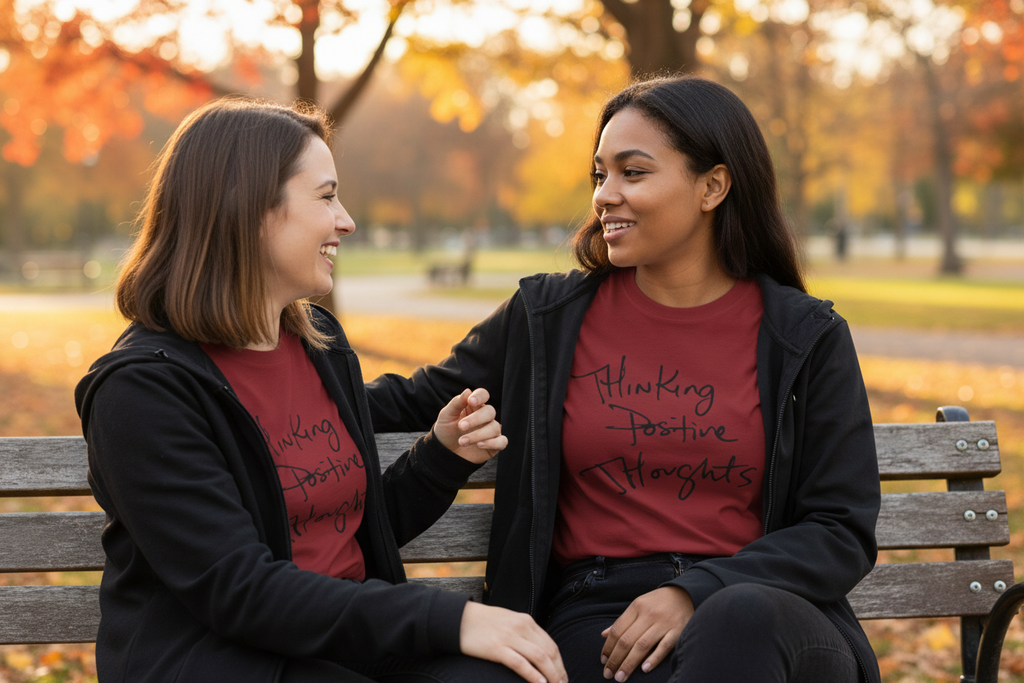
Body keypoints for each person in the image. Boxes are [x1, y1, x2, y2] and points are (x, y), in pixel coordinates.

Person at [365, 75, 882, 683]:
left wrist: (697, 591)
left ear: (713, 186)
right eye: (599, 175)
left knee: (736, 622)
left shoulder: (803, 336)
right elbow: (410, 400)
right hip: (599, 615)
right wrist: (253, 382)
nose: (605, 195)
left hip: (766, 612)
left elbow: (840, 529)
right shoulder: (547, 319)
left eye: (632, 173)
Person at [74, 98, 566, 683]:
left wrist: (440, 457)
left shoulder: (319, 343)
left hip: (345, 646)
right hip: (227, 662)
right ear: (250, 207)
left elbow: (344, 529)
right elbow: (240, 590)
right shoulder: (142, 392)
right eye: (327, 196)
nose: (346, 220)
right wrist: (448, 616)